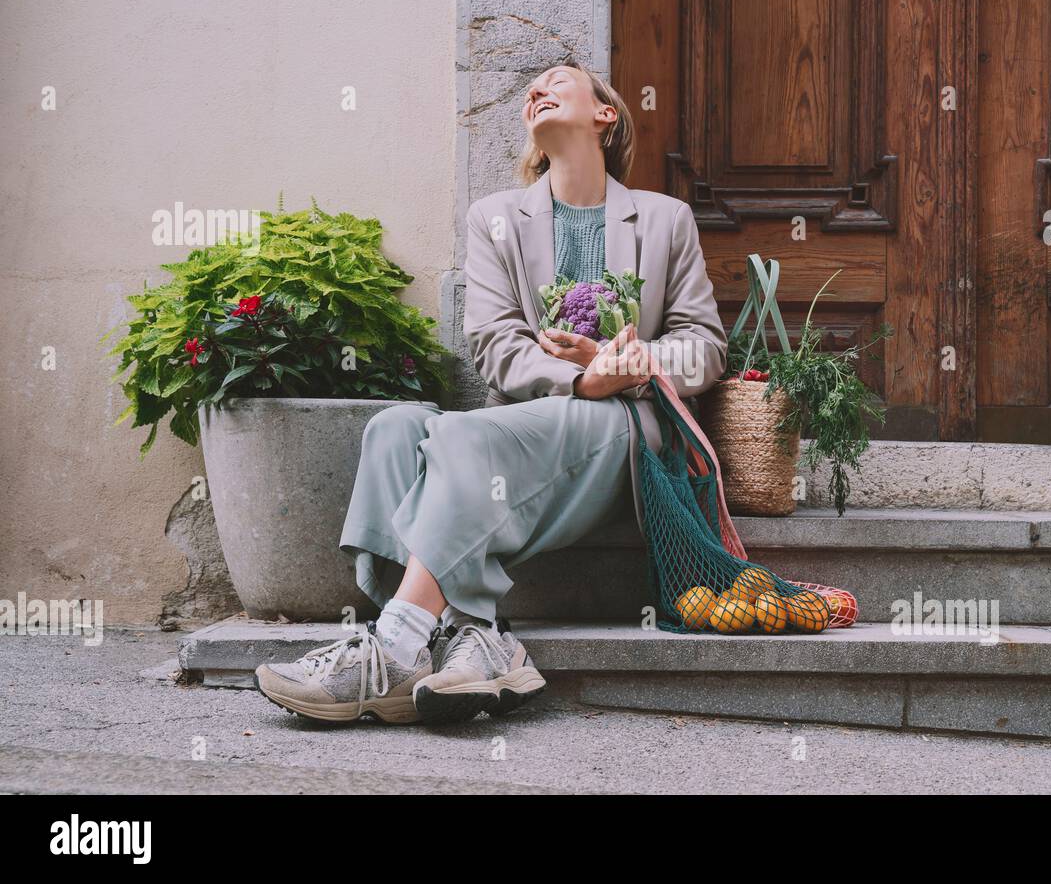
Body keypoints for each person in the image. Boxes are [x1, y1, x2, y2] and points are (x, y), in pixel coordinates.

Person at [254, 62, 727, 726]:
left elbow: (704, 344)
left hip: (626, 430)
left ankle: (390, 648)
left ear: (604, 114)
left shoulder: (664, 219)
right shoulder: (495, 218)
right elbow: (496, 343)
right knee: (394, 428)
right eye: (531, 86)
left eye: (560, 80)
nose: (539, 88)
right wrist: (575, 378)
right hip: (526, 424)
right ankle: (467, 638)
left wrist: (629, 365)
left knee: (464, 434)